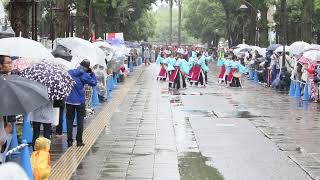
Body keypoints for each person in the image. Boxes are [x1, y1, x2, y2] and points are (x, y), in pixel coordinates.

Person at [66, 59, 97, 147]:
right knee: (80, 122)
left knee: (69, 121)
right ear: (87, 68)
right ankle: (79, 141)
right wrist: (93, 73)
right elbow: (94, 83)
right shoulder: (84, 75)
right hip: (80, 101)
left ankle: (69, 141)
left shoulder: (70, 72)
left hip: (69, 100)